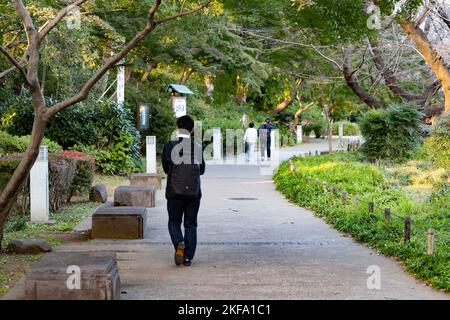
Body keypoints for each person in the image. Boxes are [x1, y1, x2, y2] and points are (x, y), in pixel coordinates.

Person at [162, 115, 205, 266]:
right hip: (193, 193)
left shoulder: (169, 146)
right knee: (191, 224)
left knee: (174, 221)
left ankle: (179, 242)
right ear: (192, 129)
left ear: (177, 127)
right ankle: (187, 257)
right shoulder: (197, 146)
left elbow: (167, 169)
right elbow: (202, 170)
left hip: (174, 192)